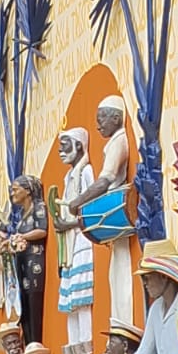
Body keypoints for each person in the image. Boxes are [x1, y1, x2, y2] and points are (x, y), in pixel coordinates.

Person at [68, 96, 133, 325]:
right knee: (115, 275)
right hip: (115, 217)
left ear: (116, 117)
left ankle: (124, 326)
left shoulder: (118, 141)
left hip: (118, 213)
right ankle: (119, 325)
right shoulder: (115, 140)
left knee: (121, 275)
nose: (98, 126)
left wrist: (78, 202)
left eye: (101, 119)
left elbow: (105, 180)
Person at [52, 130, 95, 354]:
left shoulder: (85, 172)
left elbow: (91, 210)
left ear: (79, 145)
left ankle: (84, 353)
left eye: (65, 144)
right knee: (69, 303)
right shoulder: (69, 176)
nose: (61, 150)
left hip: (82, 240)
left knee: (80, 300)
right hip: (69, 244)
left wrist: (68, 224)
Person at [0, 175, 48, 344]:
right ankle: (29, 344)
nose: (12, 193)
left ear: (27, 191)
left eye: (15, 189)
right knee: (23, 309)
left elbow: (42, 230)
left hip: (34, 264)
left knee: (33, 305)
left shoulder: (38, 208)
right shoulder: (21, 215)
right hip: (22, 266)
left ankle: (35, 343)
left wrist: (21, 237)